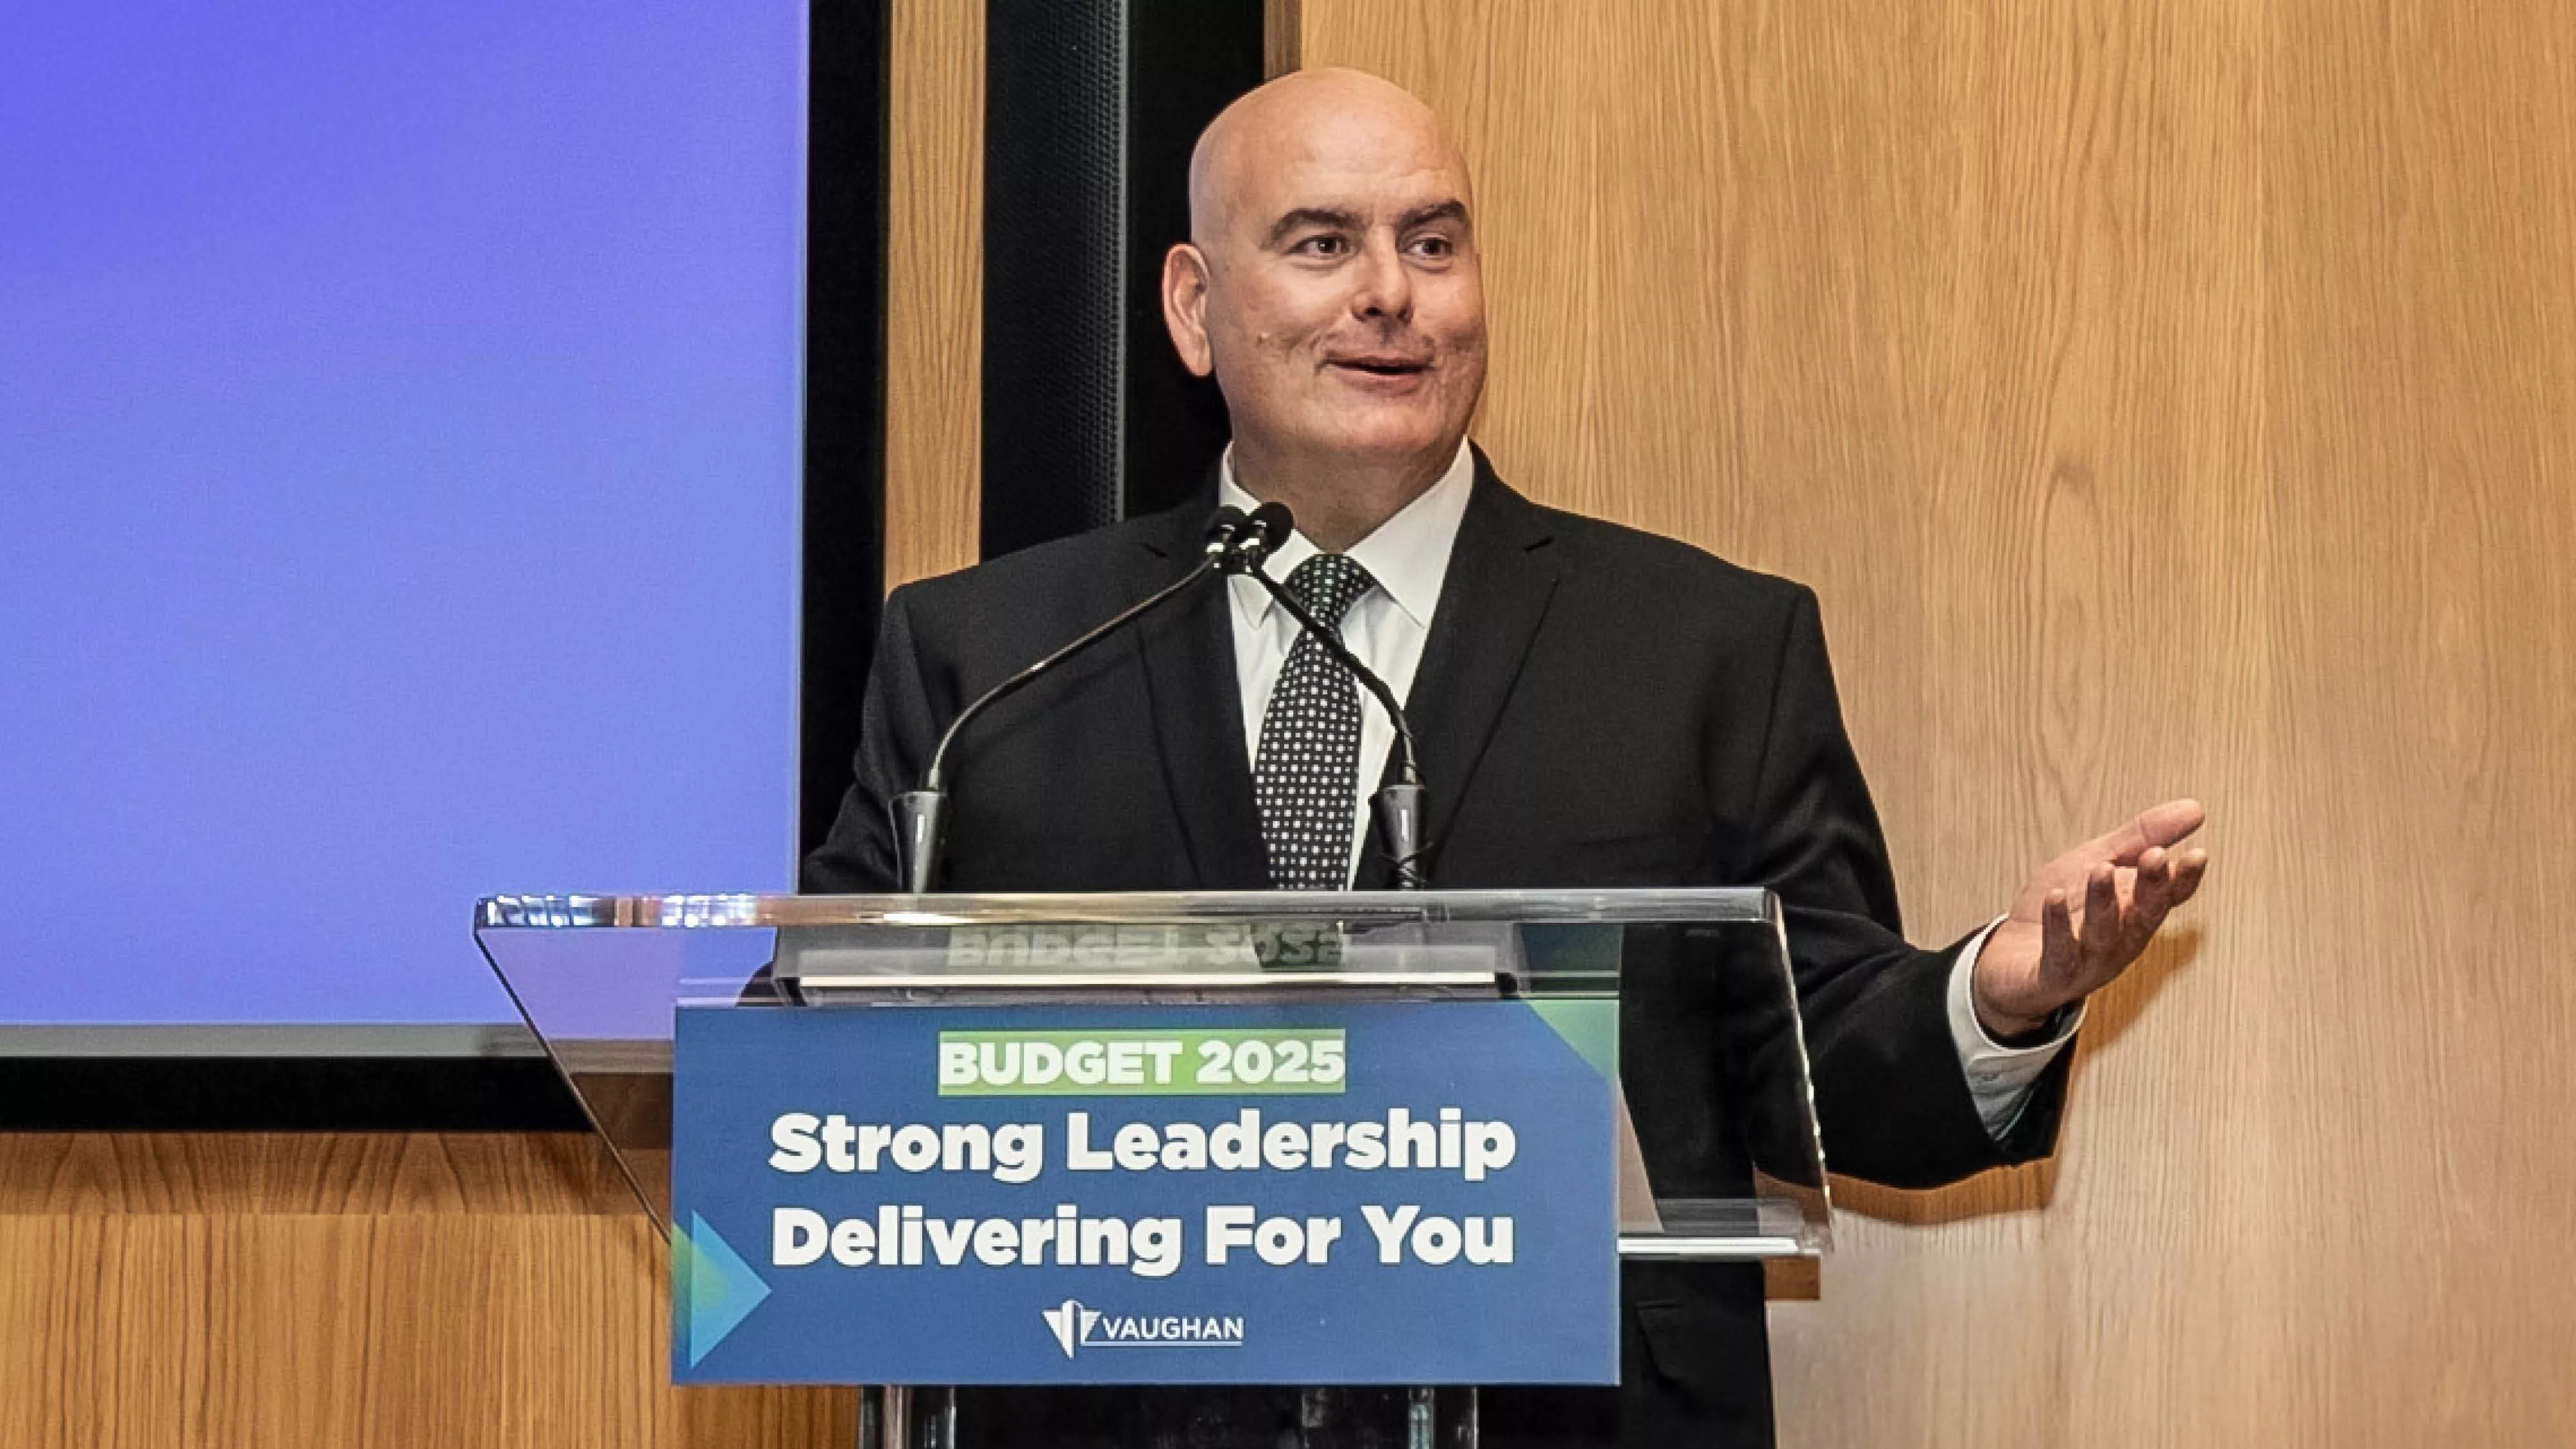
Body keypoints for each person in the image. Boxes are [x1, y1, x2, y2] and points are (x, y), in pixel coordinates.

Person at [807, 66, 2208, 1449]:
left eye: (1432, 242)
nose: (1389, 294)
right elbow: (814, 1048)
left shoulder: (1701, 646)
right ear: (1192, 305)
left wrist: (1997, 997)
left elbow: (1823, 1056)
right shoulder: (987, 660)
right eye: (1320, 243)